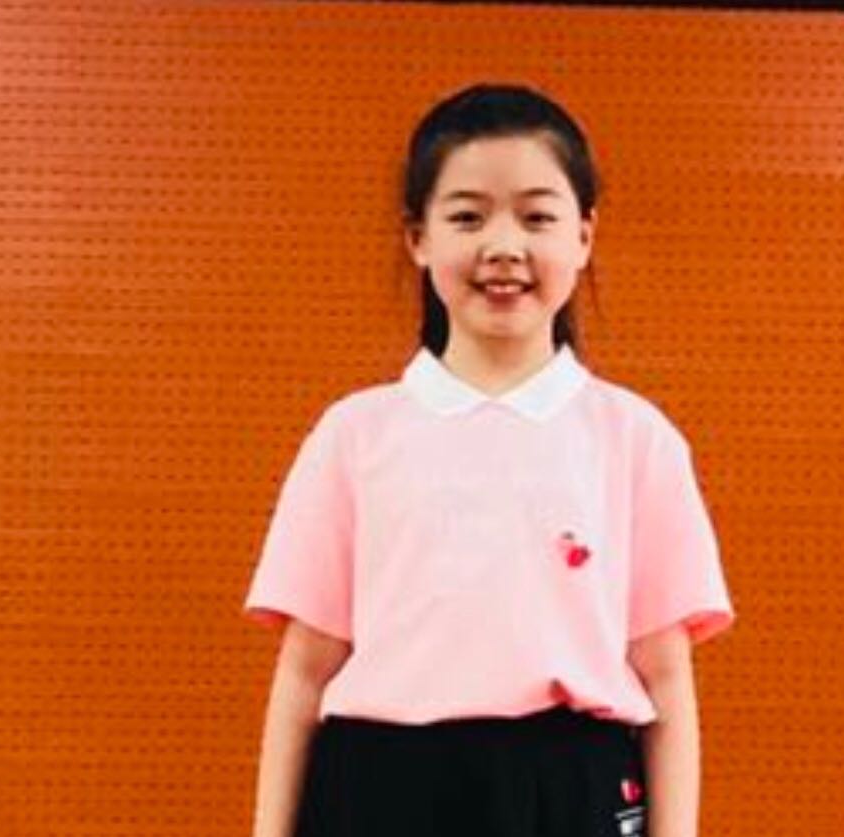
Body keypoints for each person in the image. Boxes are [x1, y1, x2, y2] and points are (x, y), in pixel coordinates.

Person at [242, 81, 737, 837]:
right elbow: (304, 671)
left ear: (584, 235)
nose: (503, 247)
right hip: (380, 789)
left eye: (537, 217)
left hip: (570, 792)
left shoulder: (635, 439)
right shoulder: (353, 435)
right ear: (418, 237)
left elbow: (666, 679)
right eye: (468, 216)